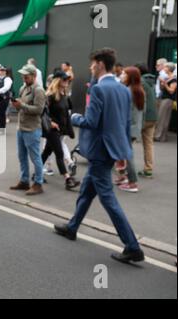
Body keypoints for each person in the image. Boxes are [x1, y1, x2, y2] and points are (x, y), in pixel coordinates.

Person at [54, 48, 145, 264]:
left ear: (100, 65)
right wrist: (122, 151)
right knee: (86, 192)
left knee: (108, 198)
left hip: (99, 151)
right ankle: (72, 227)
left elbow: (91, 122)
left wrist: (73, 117)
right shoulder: (123, 89)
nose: (90, 68)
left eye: (93, 64)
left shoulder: (98, 89)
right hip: (112, 149)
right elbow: (122, 123)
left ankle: (133, 246)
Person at [10, 64, 46, 195]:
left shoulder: (39, 90)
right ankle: (24, 181)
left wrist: (22, 105)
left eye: (26, 76)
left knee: (35, 157)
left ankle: (38, 183)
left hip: (32, 129)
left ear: (34, 76)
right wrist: (16, 104)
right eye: (23, 75)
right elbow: (22, 106)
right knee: (22, 156)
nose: (23, 77)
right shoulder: (23, 88)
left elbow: (39, 110)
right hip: (21, 127)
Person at [42, 71, 80, 190]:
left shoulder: (65, 96)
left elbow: (66, 115)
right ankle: (68, 179)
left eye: (68, 80)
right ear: (57, 81)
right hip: (52, 130)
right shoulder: (50, 96)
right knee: (59, 154)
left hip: (60, 130)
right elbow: (42, 113)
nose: (67, 82)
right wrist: (50, 122)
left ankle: (36, 173)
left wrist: (69, 130)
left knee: (46, 152)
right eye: (64, 80)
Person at [115, 67, 145, 193]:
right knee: (123, 153)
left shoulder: (128, 91)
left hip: (126, 128)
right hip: (134, 128)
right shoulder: (138, 90)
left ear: (130, 77)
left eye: (124, 74)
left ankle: (132, 183)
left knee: (127, 155)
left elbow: (123, 113)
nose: (121, 75)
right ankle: (123, 177)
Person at [135, 63, 157, 178]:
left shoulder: (141, 83)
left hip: (143, 117)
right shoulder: (152, 82)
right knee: (149, 144)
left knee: (128, 141)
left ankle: (123, 167)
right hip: (153, 117)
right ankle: (148, 169)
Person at [154, 63, 177, 142]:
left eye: (166, 67)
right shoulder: (168, 78)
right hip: (165, 99)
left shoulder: (174, 79)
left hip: (167, 100)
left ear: (170, 68)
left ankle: (158, 136)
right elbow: (163, 88)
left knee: (162, 118)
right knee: (163, 118)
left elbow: (171, 91)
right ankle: (162, 137)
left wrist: (165, 84)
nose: (164, 68)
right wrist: (162, 83)